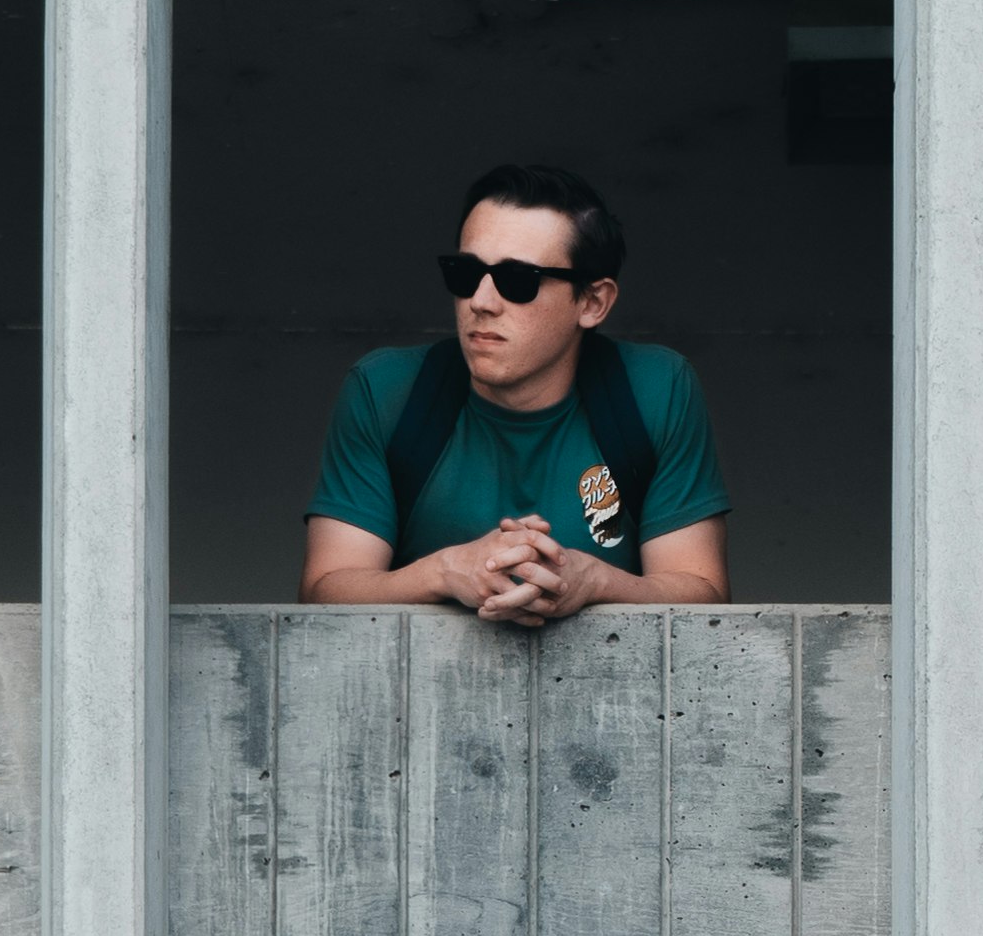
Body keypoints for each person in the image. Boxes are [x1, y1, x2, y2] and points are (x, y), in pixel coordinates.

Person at [298, 161, 729, 623]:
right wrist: (445, 572)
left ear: (592, 302)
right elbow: (325, 590)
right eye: (465, 274)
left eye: (518, 281)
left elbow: (702, 595)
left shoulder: (656, 390)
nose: (481, 302)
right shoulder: (386, 390)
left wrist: (593, 581)